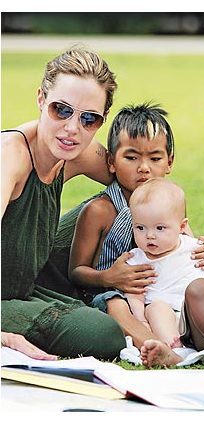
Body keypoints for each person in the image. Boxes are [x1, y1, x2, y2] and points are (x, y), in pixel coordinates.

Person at [1, 47, 126, 359]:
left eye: (89, 118)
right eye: (61, 110)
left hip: (27, 273)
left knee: (110, 207)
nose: (72, 128)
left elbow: (139, 184)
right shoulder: (11, 157)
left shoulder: (76, 151)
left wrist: (182, 238)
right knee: (104, 334)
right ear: (41, 99)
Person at [68, 104, 204, 365]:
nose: (144, 168)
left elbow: (182, 242)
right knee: (116, 303)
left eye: (155, 159)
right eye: (131, 158)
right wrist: (109, 277)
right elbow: (76, 272)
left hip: (161, 292)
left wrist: (201, 251)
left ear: (169, 162)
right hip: (111, 292)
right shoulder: (100, 210)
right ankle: (156, 347)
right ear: (111, 162)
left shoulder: (169, 202)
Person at [126, 178, 204, 350]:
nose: (149, 235)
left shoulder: (195, 248)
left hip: (196, 312)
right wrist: (141, 320)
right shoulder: (136, 260)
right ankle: (173, 346)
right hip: (165, 316)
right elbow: (135, 294)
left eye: (160, 228)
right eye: (140, 228)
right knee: (155, 308)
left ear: (182, 226)